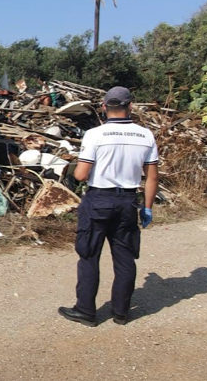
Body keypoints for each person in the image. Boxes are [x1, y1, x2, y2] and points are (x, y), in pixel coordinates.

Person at [58, 86, 159, 326]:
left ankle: (86, 311)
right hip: (127, 201)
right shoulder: (145, 135)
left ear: (104, 107)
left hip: (98, 200)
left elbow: (82, 175)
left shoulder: (95, 134)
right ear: (130, 106)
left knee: (89, 255)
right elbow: (152, 177)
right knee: (124, 258)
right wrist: (147, 208)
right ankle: (121, 312)